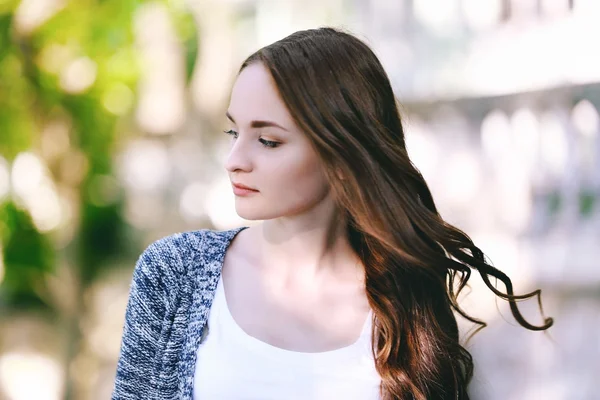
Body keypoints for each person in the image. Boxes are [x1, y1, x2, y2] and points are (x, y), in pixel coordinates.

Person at [111, 27, 553, 400]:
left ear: (341, 152)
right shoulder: (174, 273)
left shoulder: (403, 299)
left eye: (268, 141)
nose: (234, 159)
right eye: (234, 131)